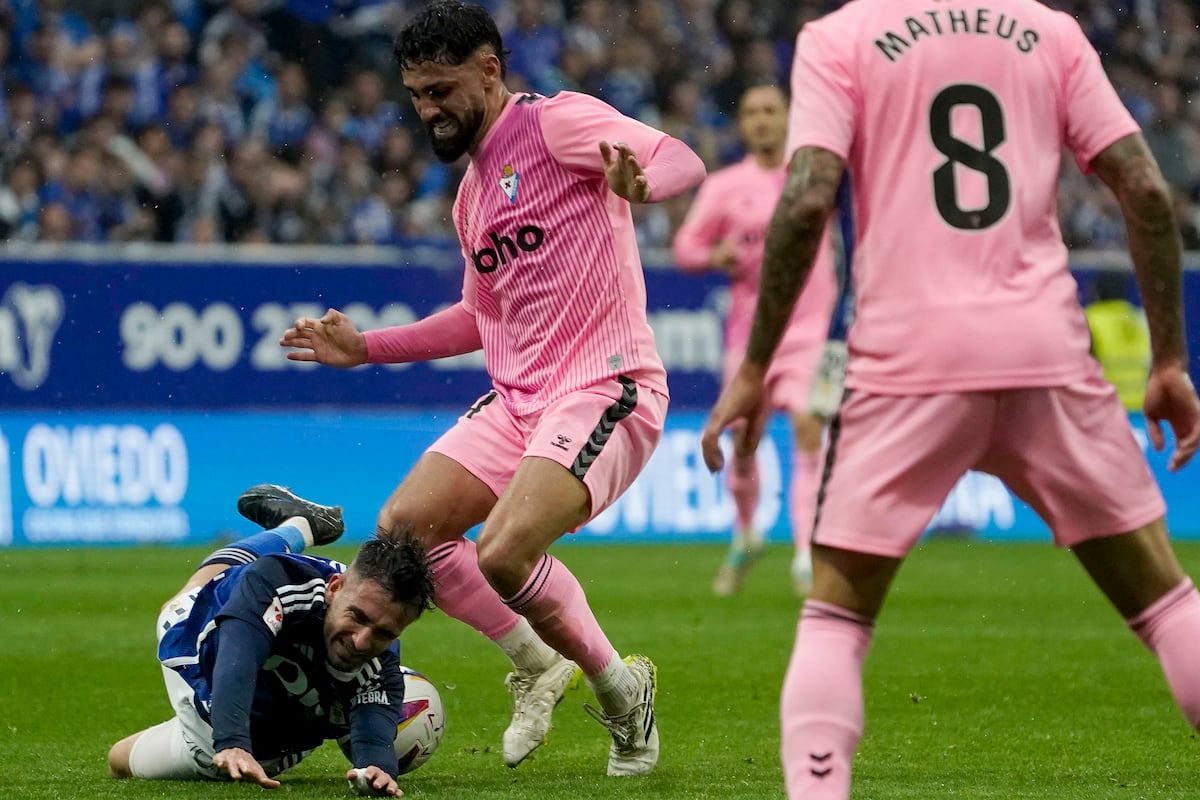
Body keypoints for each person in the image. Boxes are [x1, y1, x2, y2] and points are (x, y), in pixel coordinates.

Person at [699, 2, 1200, 798]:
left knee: (836, 617)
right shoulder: (1051, 32)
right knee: (1167, 602)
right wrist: (1169, 357)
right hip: (1042, 351)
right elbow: (1143, 188)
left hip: (908, 362)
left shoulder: (840, 39)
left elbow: (803, 203)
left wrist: (756, 363)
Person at [278, 0, 706, 776]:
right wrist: (367, 349)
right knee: (406, 528)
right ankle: (539, 663)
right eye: (416, 94)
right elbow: (479, 317)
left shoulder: (555, 125)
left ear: (490, 70)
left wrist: (644, 184)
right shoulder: (471, 198)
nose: (428, 110)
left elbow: (681, 158)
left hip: (605, 386)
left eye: (441, 90)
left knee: (503, 554)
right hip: (520, 403)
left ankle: (620, 690)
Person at [107, 484, 436, 797]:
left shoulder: (381, 661)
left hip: (249, 747)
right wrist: (232, 740)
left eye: (384, 633)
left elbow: (373, 722)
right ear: (334, 588)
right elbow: (239, 649)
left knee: (118, 761)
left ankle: (302, 525)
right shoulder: (277, 583)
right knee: (189, 598)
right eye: (358, 617)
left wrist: (378, 770)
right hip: (202, 659)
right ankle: (299, 528)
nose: (363, 642)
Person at [671, 82, 836, 597]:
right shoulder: (725, 186)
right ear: (742, 125)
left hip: (815, 332)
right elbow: (685, 247)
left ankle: (807, 554)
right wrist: (711, 256)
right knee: (744, 441)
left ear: (790, 116)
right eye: (752, 112)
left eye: (771, 110)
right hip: (751, 339)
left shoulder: (819, 175)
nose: (762, 120)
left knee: (811, 425)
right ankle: (747, 532)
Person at [1085, 269, 1152, 411]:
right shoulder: (1140, 318)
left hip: (1109, 408)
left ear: (1097, 292)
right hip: (1143, 409)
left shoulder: (1090, 319)